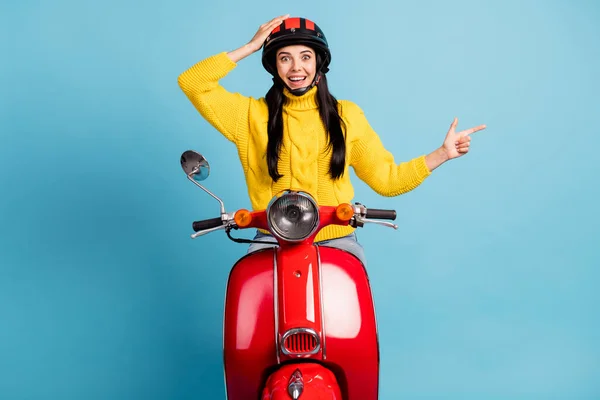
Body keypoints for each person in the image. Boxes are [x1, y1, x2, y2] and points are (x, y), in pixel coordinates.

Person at [177, 15, 486, 265]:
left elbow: (388, 180)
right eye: (284, 58)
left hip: (336, 239)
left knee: (353, 314)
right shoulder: (249, 116)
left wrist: (442, 154)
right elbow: (192, 83)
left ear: (319, 64)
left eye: (305, 57)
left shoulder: (346, 116)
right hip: (271, 238)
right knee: (249, 306)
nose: (296, 67)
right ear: (274, 66)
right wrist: (250, 46)